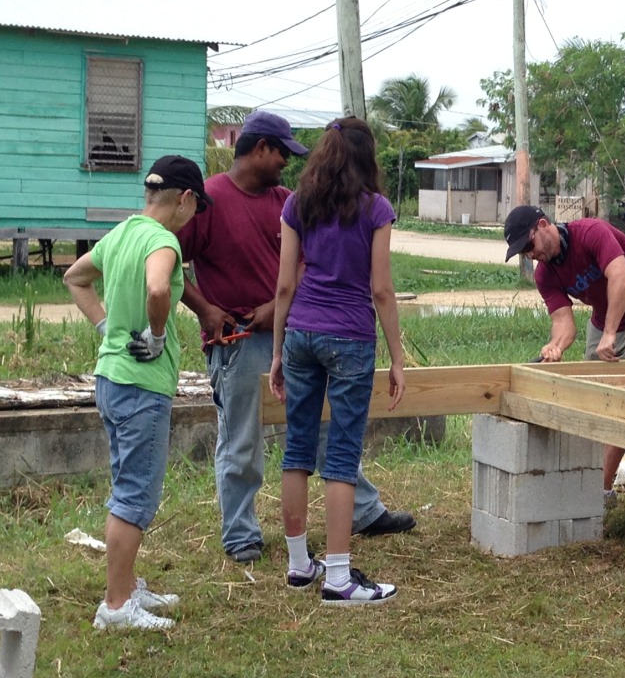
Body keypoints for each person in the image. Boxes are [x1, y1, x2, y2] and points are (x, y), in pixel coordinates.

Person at [178, 110, 414, 565]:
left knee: (321, 431)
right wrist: (205, 309)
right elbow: (168, 259)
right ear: (260, 148)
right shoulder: (212, 199)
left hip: (291, 330)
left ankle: (360, 513)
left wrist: (277, 311)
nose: (287, 162)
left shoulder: (290, 200)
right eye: (282, 152)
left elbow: (306, 266)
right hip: (240, 339)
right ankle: (241, 533)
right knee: (243, 438)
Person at [64, 155, 212, 630]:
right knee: (134, 497)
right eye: (196, 207)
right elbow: (157, 290)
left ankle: (126, 588)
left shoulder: (123, 231)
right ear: (185, 200)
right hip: (141, 387)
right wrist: (156, 335)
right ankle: (115, 606)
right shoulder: (162, 240)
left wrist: (108, 326)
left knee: (125, 484)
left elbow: (75, 277)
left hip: (111, 379)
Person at [269, 118, 406, 606]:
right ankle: (339, 578)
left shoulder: (296, 204)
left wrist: (277, 350)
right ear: (367, 157)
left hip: (300, 333)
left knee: (297, 450)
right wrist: (397, 357)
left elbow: (284, 284)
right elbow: (382, 290)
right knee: (342, 456)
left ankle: (299, 564)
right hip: (349, 337)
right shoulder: (377, 209)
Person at [503, 204, 625, 501]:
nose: (529, 254)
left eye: (529, 245)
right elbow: (564, 323)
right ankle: (588, 480)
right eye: (522, 252)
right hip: (604, 321)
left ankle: (600, 493)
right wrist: (556, 346)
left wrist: (610, 333)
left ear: (543, 225)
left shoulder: (591, 232)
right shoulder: (544, 275)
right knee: (592, 400)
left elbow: (622, 277)